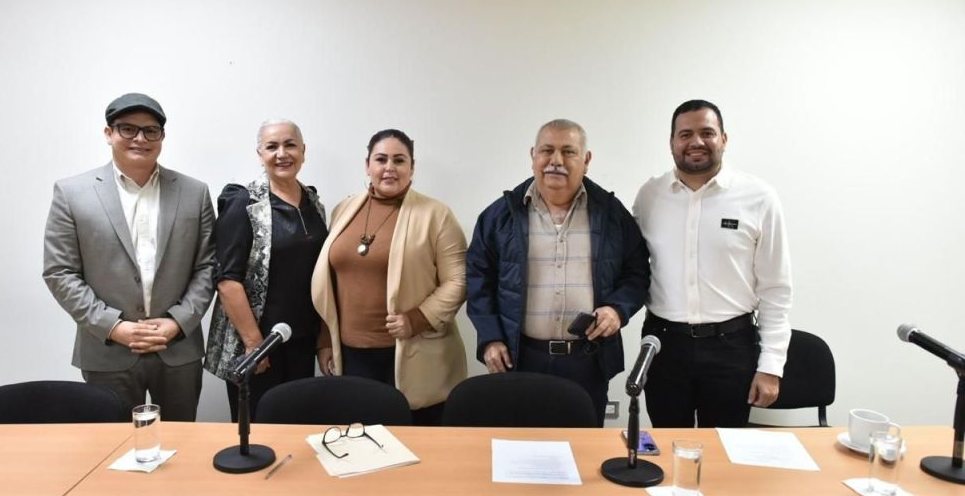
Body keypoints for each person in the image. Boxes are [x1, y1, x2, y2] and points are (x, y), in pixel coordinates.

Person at [466, 119, 650, 426]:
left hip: (587, 361)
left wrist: (617, 310)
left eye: (568, 151)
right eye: (547, 150)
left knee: (583, 447)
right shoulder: (500, 215)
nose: (556, 161)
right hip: (520, 357)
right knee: (521, 445)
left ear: (586, 160)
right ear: (533, 155)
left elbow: (637, 272)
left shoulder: (610, 214)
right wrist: (490, 338)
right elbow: (478, 279)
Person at [42, 93, 215, 420]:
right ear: (109, 133)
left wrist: (178, 322)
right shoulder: (71, 193)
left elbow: (207, 266)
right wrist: (113, 326)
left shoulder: (195, 192)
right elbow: (59, 272)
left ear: (162, 137)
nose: (140, 138)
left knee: (180, 441)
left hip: (177, 349)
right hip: (107, 349)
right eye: (128, 129)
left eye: (151, 131)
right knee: (111, 445)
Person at [632, 99, 793, 428]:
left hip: (731, 348)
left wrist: (771, 366)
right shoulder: (650, 195)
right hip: (665, 345)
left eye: (707, 132)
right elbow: (633, 268)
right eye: (685, 134)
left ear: (724, 139)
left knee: (725, 449)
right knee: (666, 443)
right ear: (672, 142)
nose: (696, 142)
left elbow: (776, 289)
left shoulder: (759, 197)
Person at [312, 129, 468, 426]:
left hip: (411, 354)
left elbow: (459, 280)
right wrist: (324, 340)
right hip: (351, 356)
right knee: (359, 442)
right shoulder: (344, 210)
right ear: (367, 165)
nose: (389, 168)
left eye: (399, 160)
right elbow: (329, 282)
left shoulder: (437, 215)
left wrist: (418, 318)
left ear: (412, 167)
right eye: (381, 159)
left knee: (414, 440)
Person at [205, 119, 328, 421]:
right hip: (258, 346)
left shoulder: (314, 203)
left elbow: (323, 275)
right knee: (259, 428)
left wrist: (324, 339)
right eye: (272, 146)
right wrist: (254, 343)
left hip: (301, 341)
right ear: (260, 154)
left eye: (290, 145)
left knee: (297, 427)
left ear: (303, 151)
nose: (282, 153)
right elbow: (227, 281)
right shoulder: (244, 203)